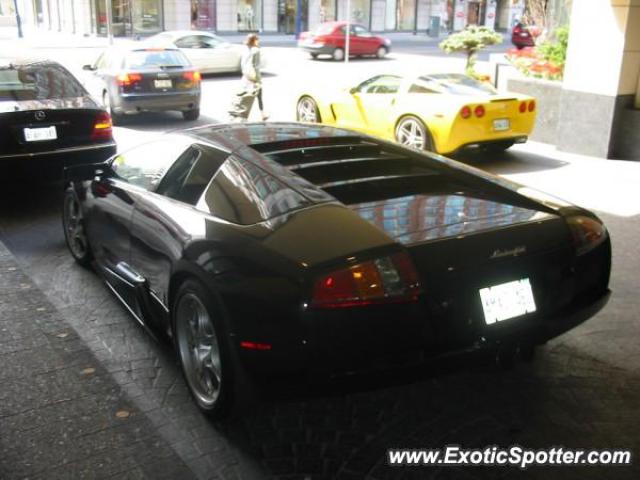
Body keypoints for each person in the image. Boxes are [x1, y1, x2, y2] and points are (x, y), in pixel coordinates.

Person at [239, 33, 268, 121]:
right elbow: (256, 66)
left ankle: (243, 116)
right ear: (255, 40)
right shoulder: (256, 50)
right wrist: (257, 80)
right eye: (257, 40)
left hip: (246, 77)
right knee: (258, 96)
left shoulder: (245, 50)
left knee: (246, 97)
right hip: (253, 77)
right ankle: (262, 114)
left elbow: (242, 64)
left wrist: (245, 74)